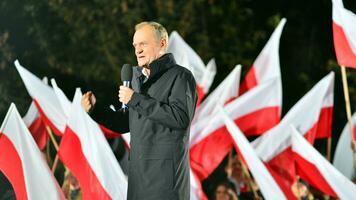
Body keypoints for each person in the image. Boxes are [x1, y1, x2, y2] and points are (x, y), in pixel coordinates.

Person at [81, 21, 197, 200]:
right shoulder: (136, 81)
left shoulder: (180, 76)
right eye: (135, 45)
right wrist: (96, 110)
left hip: (165, 184)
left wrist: (135, 99)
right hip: (138, 181)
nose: (137, 50)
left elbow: (180, 118)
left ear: (162, 44)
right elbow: (124, 123)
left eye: (143, 44)